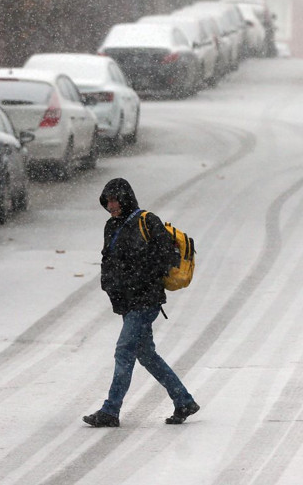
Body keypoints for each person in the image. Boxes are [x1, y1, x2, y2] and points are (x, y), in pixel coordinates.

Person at [83, 178, 199, 427]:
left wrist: (140, 276)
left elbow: (164, 257)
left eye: (115, 200)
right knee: (146, 355)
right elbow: (109, 260)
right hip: (128, 302)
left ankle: (110, 411)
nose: (111, 205)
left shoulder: (147, 221)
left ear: (126, 199)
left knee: (124, 351)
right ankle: (184, 401)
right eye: (108, 201)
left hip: (145, 301)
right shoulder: (111, 226)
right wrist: (113, 288)